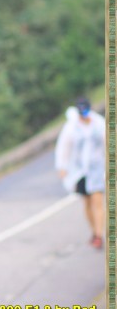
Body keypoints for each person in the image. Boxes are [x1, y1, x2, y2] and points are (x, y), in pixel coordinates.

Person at [55, 97, 106, 249]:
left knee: (97, 199)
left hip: (96, 167)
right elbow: (64, 147)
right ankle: (94, 231)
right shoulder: (72, 127)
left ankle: (99, 235)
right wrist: (62, 166)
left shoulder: (98, 123)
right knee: (88, 202)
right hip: (79, 170)